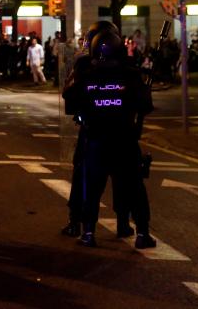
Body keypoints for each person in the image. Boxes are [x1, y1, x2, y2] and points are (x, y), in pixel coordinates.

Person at [63, 29, 156, 249]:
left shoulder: (87, 74)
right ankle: (143, 233)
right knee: (134, 188)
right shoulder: (130, 74)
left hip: (95, 139)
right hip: (124, 140)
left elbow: (70, 100)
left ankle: (88, 232)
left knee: (91, 189)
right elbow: (145, 106)